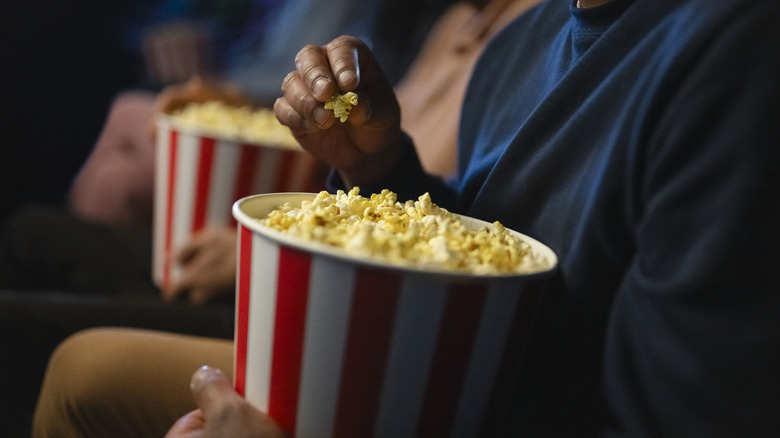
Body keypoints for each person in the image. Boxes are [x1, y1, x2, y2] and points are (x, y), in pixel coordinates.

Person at [37, 0, 780, 435]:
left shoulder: (732, 53)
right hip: (435, 377)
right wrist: (377, 166)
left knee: (82, 373)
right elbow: (483, 251)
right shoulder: (523, 46)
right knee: (74, 349)